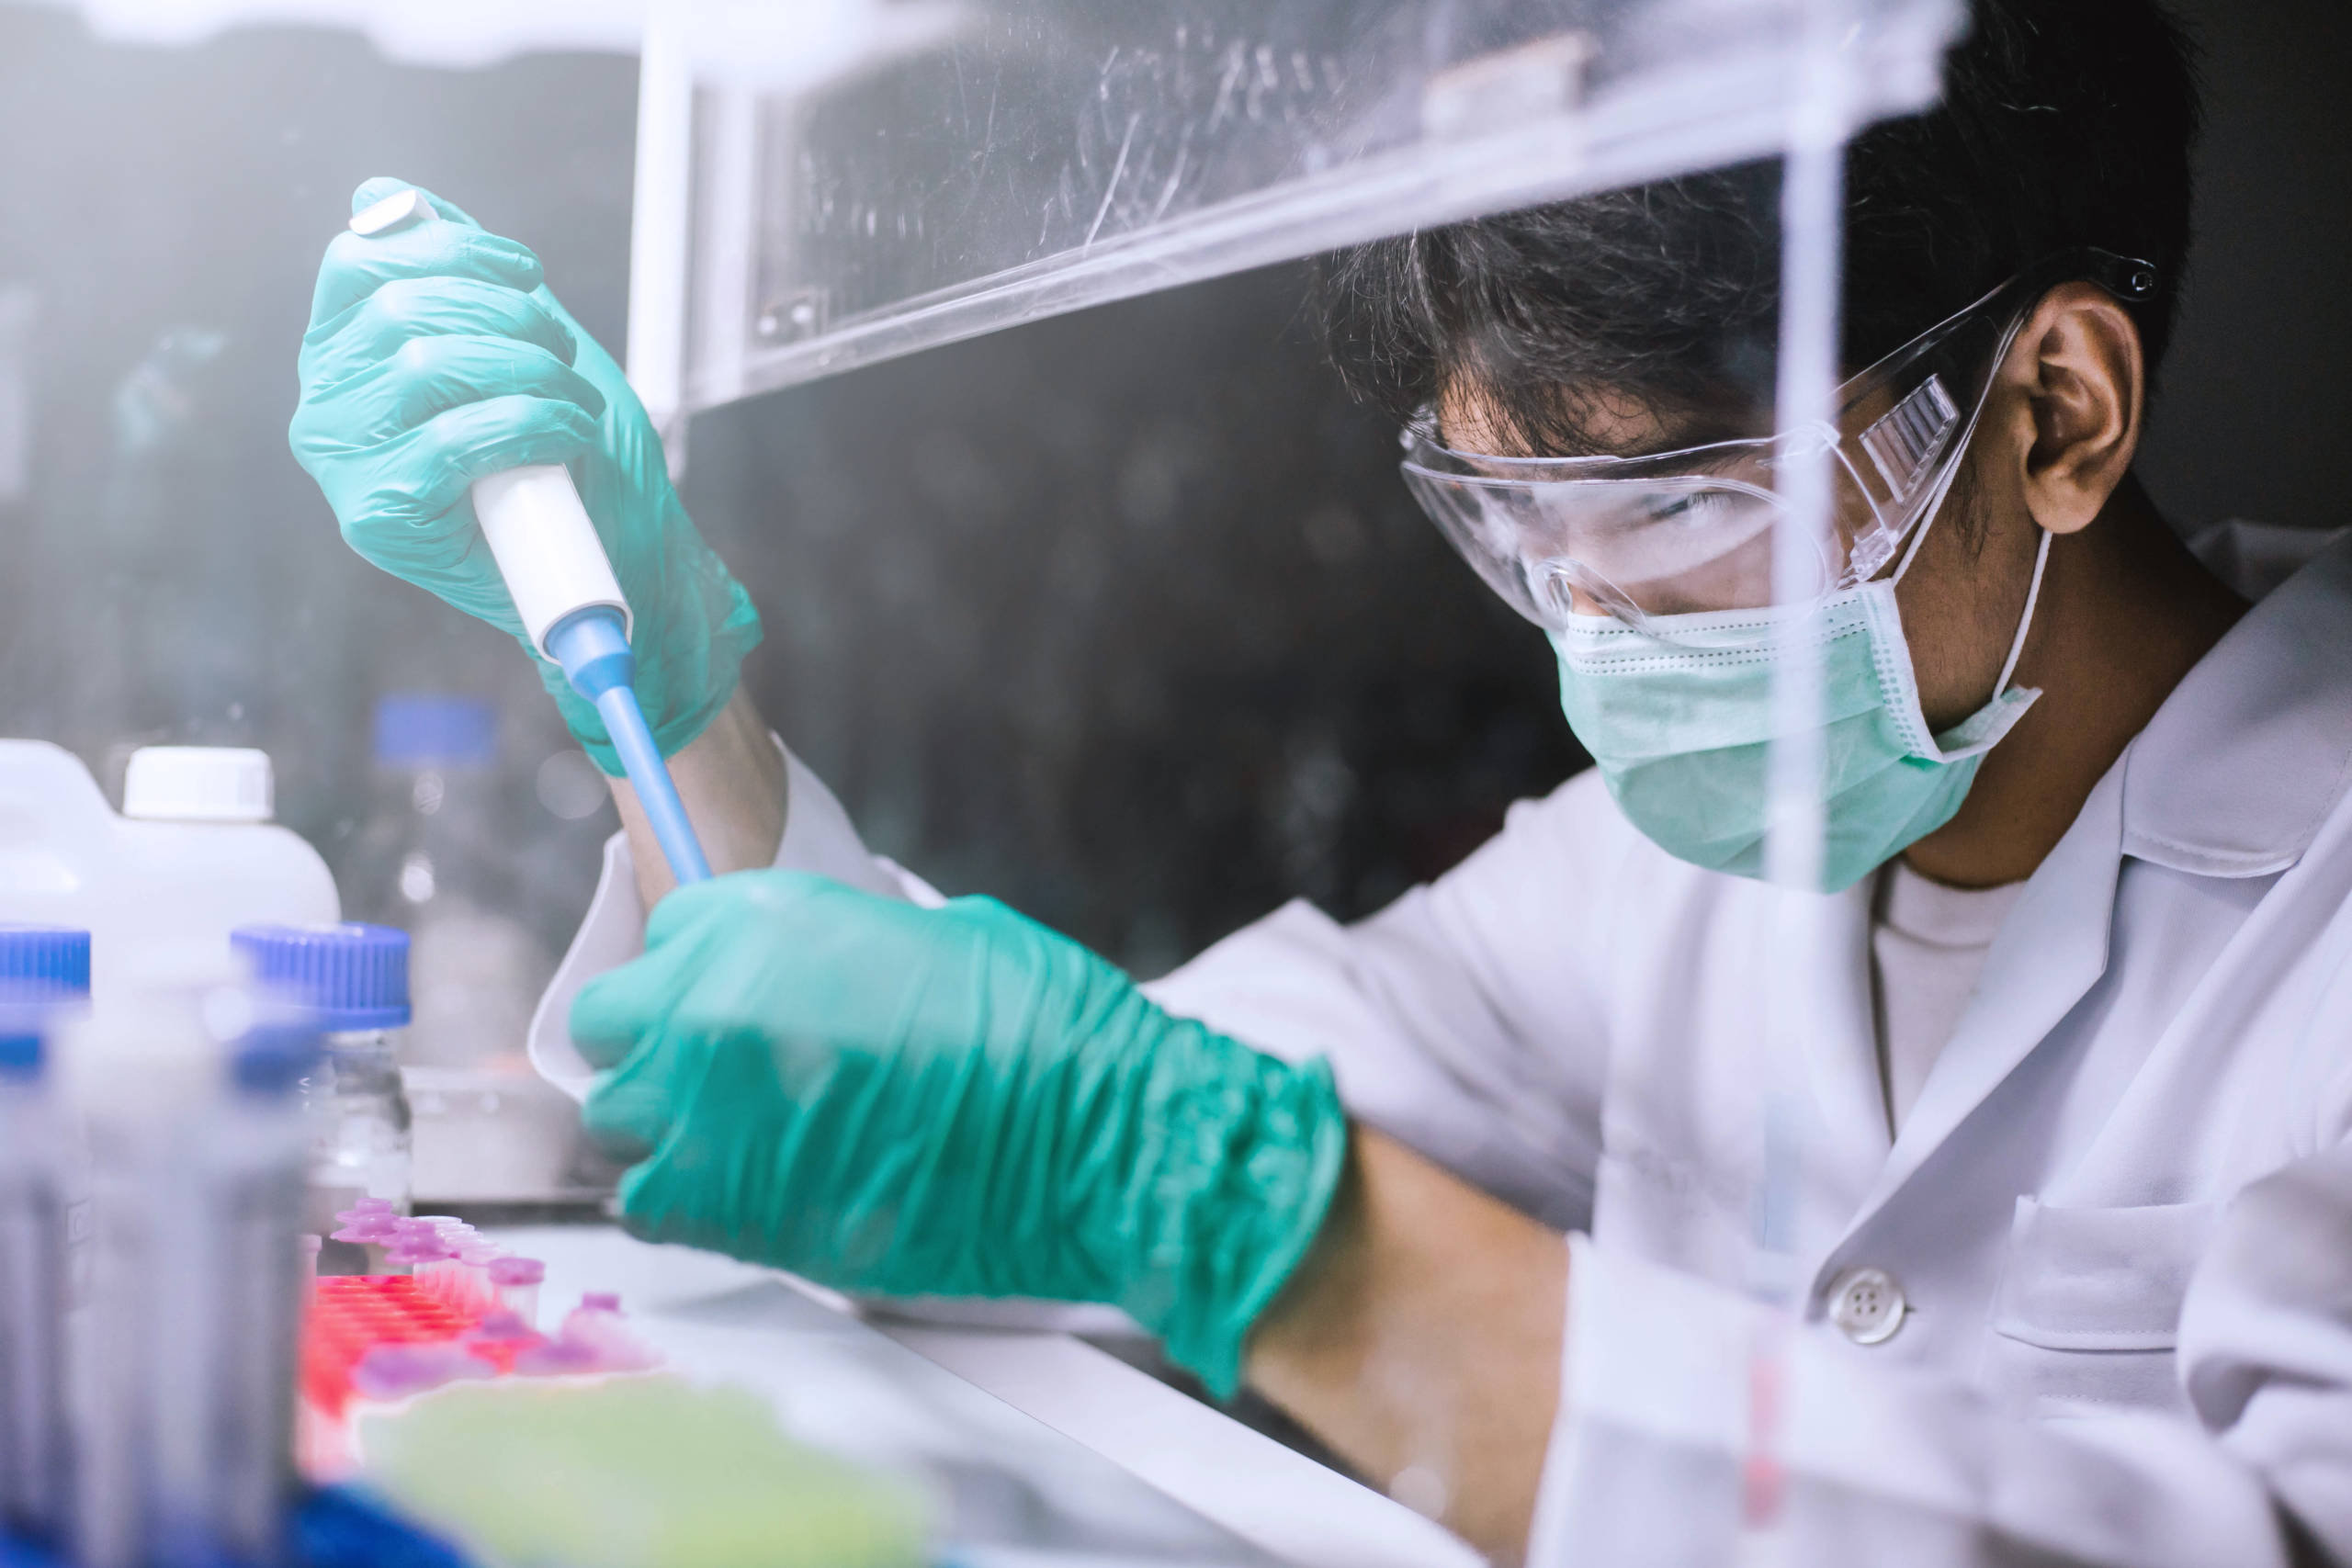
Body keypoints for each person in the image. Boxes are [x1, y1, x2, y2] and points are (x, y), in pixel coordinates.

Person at [290, 0, 2352, 1561]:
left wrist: (1283, 1226)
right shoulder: (1657, 882)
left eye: (1663, 510)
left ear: (2056, 414)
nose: (1591, 629)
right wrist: (673, 688)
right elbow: (1002, 1133)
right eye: (1507, 524)